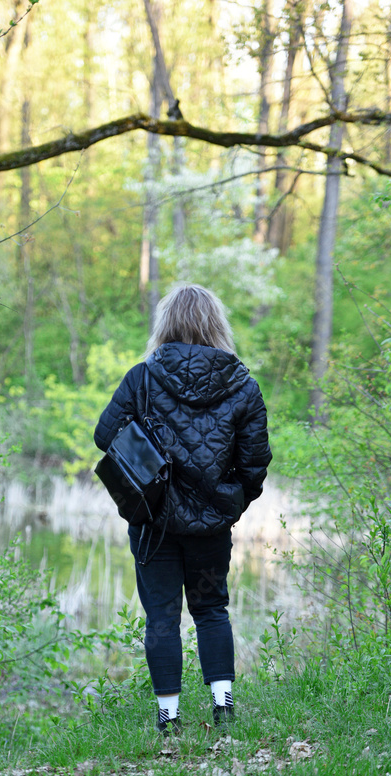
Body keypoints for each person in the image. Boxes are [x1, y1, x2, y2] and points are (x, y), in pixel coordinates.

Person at [94, 284, 272, 734]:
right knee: (212, 610)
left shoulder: (143, 377)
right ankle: (223, 708)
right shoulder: (243, 384)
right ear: (218, 324)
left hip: (152, 521)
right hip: (212, 526)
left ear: (166, 323)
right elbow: (255, 463)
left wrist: (148, 460)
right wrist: (230, 502)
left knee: (162, 617)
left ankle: (168, 719)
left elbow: (104, 435)